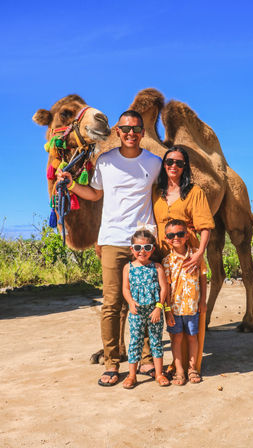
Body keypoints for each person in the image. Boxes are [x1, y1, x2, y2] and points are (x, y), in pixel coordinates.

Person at [57, 110, 161, 386]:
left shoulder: (155, 162)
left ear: (142, 132)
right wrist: (71, 186)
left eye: (135, 129)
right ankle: (113, 362)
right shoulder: (105, 161)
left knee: (148, 300)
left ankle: (149, 358)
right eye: (125, 129)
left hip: (144, 241)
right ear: (118, 131)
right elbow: (96, 194)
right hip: (113, 239)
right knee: (112, 304)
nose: (130, 133)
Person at [152, 145, 215, 377]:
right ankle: (171, 363)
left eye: (179, 163)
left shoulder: (194, 191)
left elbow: (205, 226)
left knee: (189, 309)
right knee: (169, 307)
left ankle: (191, 367)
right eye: (169, 162)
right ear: (164, 164)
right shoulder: (156, 192)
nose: (173, 167)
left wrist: (199, 255)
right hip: (162, 254)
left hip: (188, 255)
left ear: (185, 166)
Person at [122, 229, 170, 389]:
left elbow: (164, 288)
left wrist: (159, 307)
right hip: (136, 312)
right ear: (132, 249)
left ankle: (159, 373)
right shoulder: (128, 268)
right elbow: (125, 289)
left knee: (156, 341)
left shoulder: (157, 267)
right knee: (135, 342)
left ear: (153, 249)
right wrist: (130, 302)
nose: (142, 251)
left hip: (154, 311)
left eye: (147, 248)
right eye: (137, 248)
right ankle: (132, 375)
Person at [162, 219, 207, 385]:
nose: (176, 238)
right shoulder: (167, 261)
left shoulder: (197, 255)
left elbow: (203, 279)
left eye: (180, 234)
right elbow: (165, 288)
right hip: (174, 308)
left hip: (192, 307)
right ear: (166, 238)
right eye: (171, 235)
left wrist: (203, 301)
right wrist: (167, 310)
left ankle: (192, 368)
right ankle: (179, 369)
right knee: (177, 338)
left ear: (187, 235)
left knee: (192, 337)